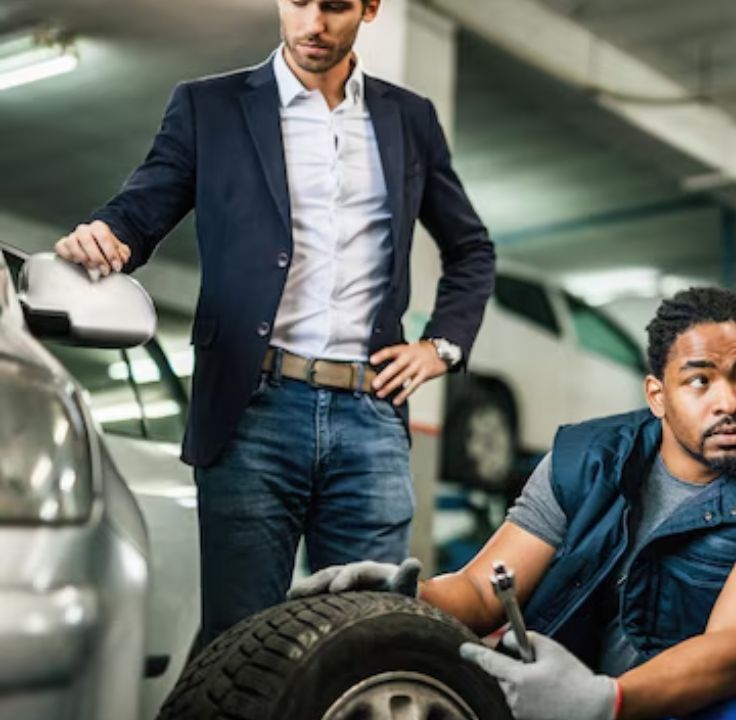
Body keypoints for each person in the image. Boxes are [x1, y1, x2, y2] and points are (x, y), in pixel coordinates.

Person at [53, 0, 494, 647]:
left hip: (370, 419)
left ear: (371, 9)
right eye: (299, 2)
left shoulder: (410, 119)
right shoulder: (211, 106)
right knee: (241, 641)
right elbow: (142, 208)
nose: (313, 22)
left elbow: (470, 249)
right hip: (252, 411)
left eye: (336, 5)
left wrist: (441, 347)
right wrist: (107, 236)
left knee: (369, 638)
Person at [291, 287, 736, 720]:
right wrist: (402, 599)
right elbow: (481, 591)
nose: (729, 401)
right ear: (657, 396)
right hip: (586, 688)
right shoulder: (582, 460)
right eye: (700, 381)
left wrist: (604, 701)